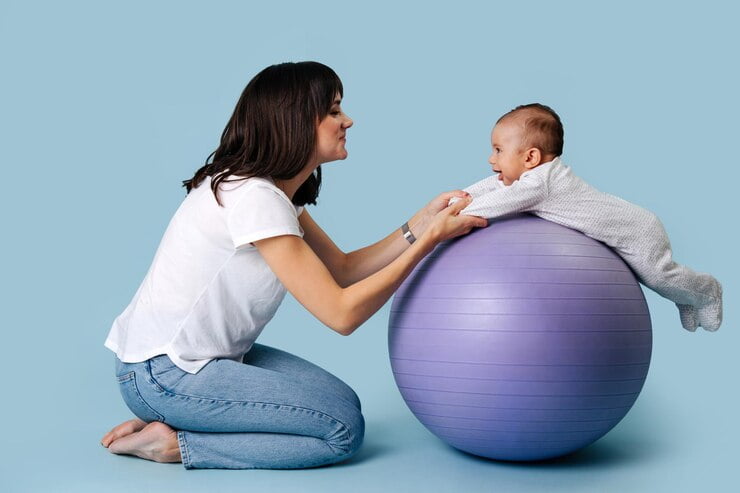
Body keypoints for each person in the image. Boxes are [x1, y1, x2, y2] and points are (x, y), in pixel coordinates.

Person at [99, 61, 487, 470]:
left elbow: (342, 268)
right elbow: (341, 314)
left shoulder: (268, 193)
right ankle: (177, 444)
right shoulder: (255, 198)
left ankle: (177, 416)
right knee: (341, 430)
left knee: (342, 402)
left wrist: (420, 222)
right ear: (298, 121)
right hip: (165, 374)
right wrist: (428, 243)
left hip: (187, 365)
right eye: (334, 110)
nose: (348, 120)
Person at [451, 103, 722, 331]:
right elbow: (495, 186)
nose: (490, 158)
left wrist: (458, 213)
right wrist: (459, 198)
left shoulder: (539, 184)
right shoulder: (530, 179)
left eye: (498, 150)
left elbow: (498, 201)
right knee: (663, 281)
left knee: (659, 278)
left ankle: (706, 292)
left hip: (636, 231)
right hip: (628, 225)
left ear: (531, 157)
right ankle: (685, 298)